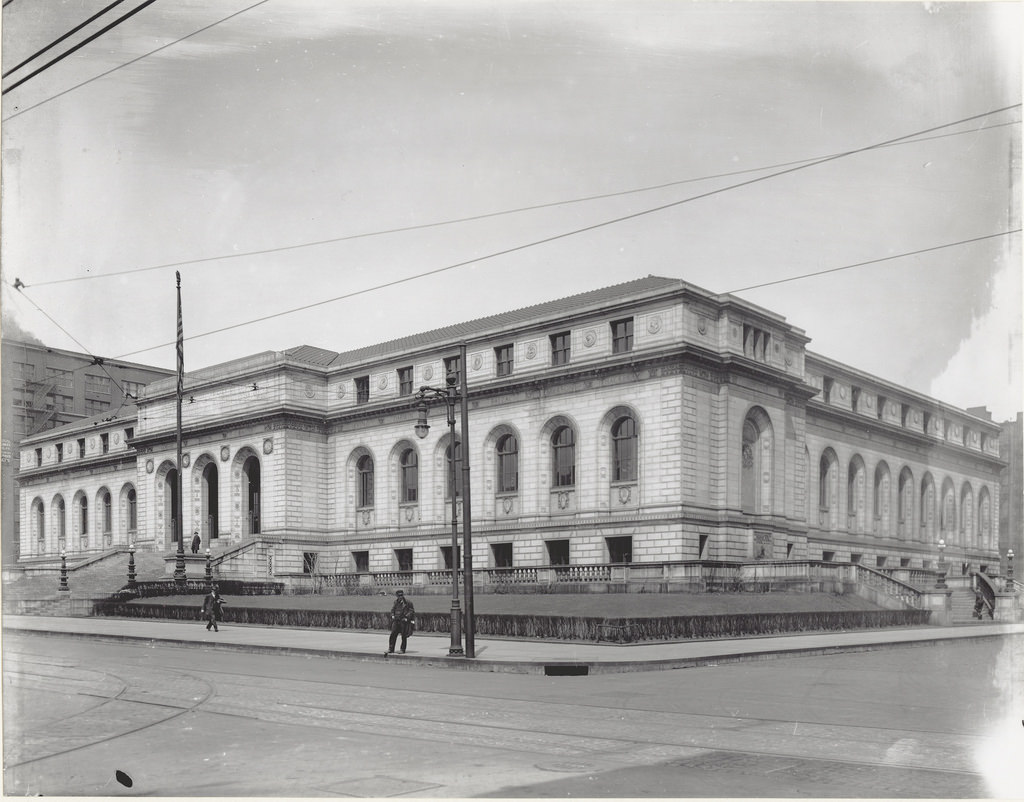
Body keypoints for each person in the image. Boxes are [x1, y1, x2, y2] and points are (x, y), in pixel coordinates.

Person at [387, 589, 415, 654]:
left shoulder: (408, 602)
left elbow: (411, 611)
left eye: (401, 595)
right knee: (393, 634)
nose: (400, 597)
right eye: (399, 595)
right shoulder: (395, 602)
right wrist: (392, 615)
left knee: (403, 636)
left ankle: (402, 649)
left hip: (403, 621)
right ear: (397, 596)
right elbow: (392, 610)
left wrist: (406, 617)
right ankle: (391, 648)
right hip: (396, 621)